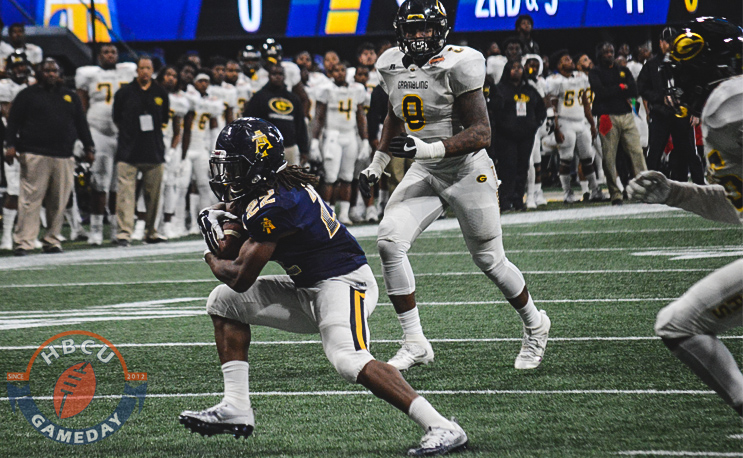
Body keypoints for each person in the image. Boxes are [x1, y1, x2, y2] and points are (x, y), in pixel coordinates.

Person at [179, 117, 468, 456]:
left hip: (344, 283)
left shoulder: (278, 203)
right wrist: (220, 219)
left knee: (348, 359)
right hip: (309, 287)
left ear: (257, 165)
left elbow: (240, 276)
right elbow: (234, 230)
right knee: (222, 303)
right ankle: (236, 405)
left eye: (234, 166)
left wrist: (209, 252)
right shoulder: (266, 188)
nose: (226, 175)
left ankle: (441, 426)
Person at [358, 0, 551, 372]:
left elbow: (482, 131)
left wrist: (429, 148)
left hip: (466, 169)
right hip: (426, 169)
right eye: (410, 30)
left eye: (424, 29)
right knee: (388, 242)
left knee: (490, 261)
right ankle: (414, 342)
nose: (417, 36)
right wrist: (378, 163)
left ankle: (535, 324)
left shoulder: (460, 62)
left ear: (440, 30)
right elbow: (395, 115)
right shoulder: (389, 63)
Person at [627, 17, 743, 417]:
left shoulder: (729, 107)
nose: (674, 81)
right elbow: (738, 203)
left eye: (681, 67)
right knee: (678, 323)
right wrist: (675, 192)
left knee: (679, 325)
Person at [5, 58, 95, 256]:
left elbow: (81, 124)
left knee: (59, 200)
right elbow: (13, 122)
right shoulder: (26, 95)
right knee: (30, 200)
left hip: (63, 154)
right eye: (46, 71)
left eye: (54, 71)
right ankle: (24, 241)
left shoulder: (70, 96)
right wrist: (10, 145)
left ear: (60, 74)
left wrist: (89, 147)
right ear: (38, 74)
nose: (51, 74)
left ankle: (52, 240)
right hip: (34, 152)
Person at [75, 43, 137, 245]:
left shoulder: (127, 72)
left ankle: (114, 229)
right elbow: (81, 107)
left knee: (116, 185)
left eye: (113, 52)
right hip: (97, 130)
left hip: (121, 134)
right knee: (99, 182)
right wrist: (82, 137)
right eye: (105, 52)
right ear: (99, 56)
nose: (110, 55)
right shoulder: (89, 75)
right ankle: (96, 230)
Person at [112, 56, 170, 246]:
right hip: (128, 151)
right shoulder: (124, 92)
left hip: (153, 151)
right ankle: (124, 233)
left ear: (152, 70)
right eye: (141, 68)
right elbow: (117, 118)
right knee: (125, 197)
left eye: (148, 68)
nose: (145, 71)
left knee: (153, 197)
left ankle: (151, 231)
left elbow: (164, 120)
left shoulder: (161, 92)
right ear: (136, 70)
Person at [637, 27, 704, 184]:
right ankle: (650, 188)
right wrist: (661, 98)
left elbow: (697, 87)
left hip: (682, 114)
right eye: (668, 42)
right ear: (661, 43)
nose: (671, 45)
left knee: (689, 152)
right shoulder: (652, 65)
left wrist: (695, 111)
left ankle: (700, 186)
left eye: (674, 42)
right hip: (661, 114)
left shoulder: (685, 62)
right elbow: (642, 88)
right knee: (654, 153)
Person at [588, 42, 647, 206]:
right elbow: (600, 92)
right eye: (605, 51)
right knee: (609, 157)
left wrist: (614, 89)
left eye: (611, 51)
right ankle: (615, 194)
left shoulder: (623, 70)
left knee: (637, 152)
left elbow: (634, 91)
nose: (609, 54)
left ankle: (644, 190)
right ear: (600, 54)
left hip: (627, 115)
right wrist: (621, 87)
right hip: (606, 116)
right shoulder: (595, 72)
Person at [311, 61, 369, 225]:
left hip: (350, 135)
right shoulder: (326, 89)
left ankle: (343, 214)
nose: (339, 73)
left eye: (342, 70)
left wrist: (365, 140)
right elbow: (319, 116)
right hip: (332, 136)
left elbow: (361, 116)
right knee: (330, 177)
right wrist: (315, 140)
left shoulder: (357, 89)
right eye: (336, 70)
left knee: (348, 177)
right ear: (331, 73)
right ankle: (327, 214)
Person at [543, 50, 604, 203]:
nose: (570, 61)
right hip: (565, 122)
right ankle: (567, 193)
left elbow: (585, 103)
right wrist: (556, 128)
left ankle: (595, 190)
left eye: (570, 59)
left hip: (580, 121)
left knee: (587, 157)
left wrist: (591, 123)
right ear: (559, 64)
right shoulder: (555, 80)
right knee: (566, 159)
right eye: (566, 60)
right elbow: (554, 106)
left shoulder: (581, 77)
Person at [489, 59, 546, 211]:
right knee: (508, 168)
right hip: (506, 137)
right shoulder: (499, 89)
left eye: (519, 67)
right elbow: (494, 111)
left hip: (526, 136)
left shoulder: (530, 90)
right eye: (513, 67)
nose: (516, 70)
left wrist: (534, 124)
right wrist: (504, 126)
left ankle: (519, 200)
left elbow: (541, 108)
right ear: (507, 70)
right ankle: (505, 200)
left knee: (523, 168)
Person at [243, 64, 308, 167]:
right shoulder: (259, 97)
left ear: (284, 77)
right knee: (267, 181)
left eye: (280, 74)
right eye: (274, 74)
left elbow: (300, 125)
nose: (277, 77)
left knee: (290, 181)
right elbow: (250, 124)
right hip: (266, 148)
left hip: (289, 147)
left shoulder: (293, 98)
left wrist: (304, 149)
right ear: (269, 76)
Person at [0, 51, 33, 251]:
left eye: (23, 65)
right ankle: (6, 236)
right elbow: (7, 113)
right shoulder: (4, 87)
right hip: (12, 141)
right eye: (17, 66)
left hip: (32, 141)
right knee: (13, 190)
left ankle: (26, 233)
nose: (21, 69)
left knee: (32, 192)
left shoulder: (33, 86)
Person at [156, 65, 190, 240]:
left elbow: (178, 131)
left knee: (170, 184)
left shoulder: (179, 100)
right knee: (152, 185)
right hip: (152, 143)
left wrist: (172, 150)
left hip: (170, 144)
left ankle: (167, 223)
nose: (171, 78)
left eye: (174, 75)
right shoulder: (152, 94)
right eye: (168, 74)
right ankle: (147, 223)